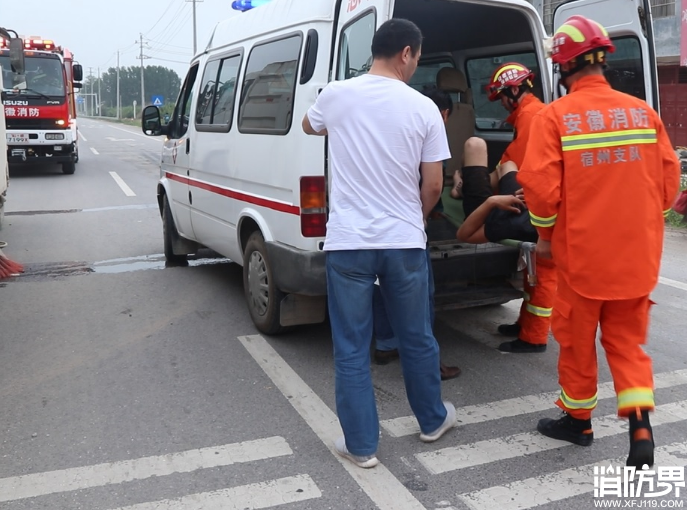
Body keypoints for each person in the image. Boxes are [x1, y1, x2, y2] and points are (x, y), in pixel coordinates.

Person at [517, 15, 680, 468]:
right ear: (603, 59)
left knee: (576, 341)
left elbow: (541, 191)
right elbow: (668, 190)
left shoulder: (555, 118)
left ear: (563, 67)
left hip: (582, 260)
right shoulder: (644, 113)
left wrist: (546, 236)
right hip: (636, 261)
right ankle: (641, 426)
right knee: (627, 346)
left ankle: (578, 421)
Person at [302, 19, 456, 469]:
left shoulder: (335, 95)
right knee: (416, 336)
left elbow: (311, 128)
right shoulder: (425, 108)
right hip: (404, 241)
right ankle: (431, 421)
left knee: (351, 346)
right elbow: (433, 185)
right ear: (407, 53)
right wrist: (414, 218)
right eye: (418, 57)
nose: (416, 64)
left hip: (349, 242)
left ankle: (361, 446)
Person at [455, 62, 554, 353]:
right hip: (534, 201)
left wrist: (489, 195)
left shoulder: (533, 118)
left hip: (538, 207)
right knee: (534, 273)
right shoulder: (531, 115)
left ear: (514, 89)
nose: (502, 104)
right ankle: (526, 325)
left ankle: (533, 338)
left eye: (502, 97)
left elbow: (521, 169)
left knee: (543, 274)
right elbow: (512, 165)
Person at [372, 85, 461, 381]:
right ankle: (430, 364)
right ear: (444, 113)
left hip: (373, 223)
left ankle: (385, 344)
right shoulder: (431, 128)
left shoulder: (390, 126)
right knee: (421, 294)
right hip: (407, 226)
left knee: (381, 284)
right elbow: (434, 186)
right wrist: (421, 217)